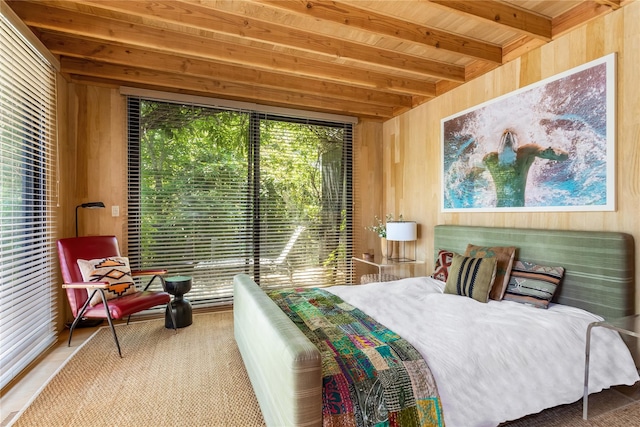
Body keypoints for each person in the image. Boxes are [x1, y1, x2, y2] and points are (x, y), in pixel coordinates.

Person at [482, 129, 569, 207]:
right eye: (506, 136)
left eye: (510, 136)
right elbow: (479, 171)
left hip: (519, 210)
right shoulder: (491, 158)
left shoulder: (526, 153)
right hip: (499, 211)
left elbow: (564, 156)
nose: (508, 138)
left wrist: (553, 153)